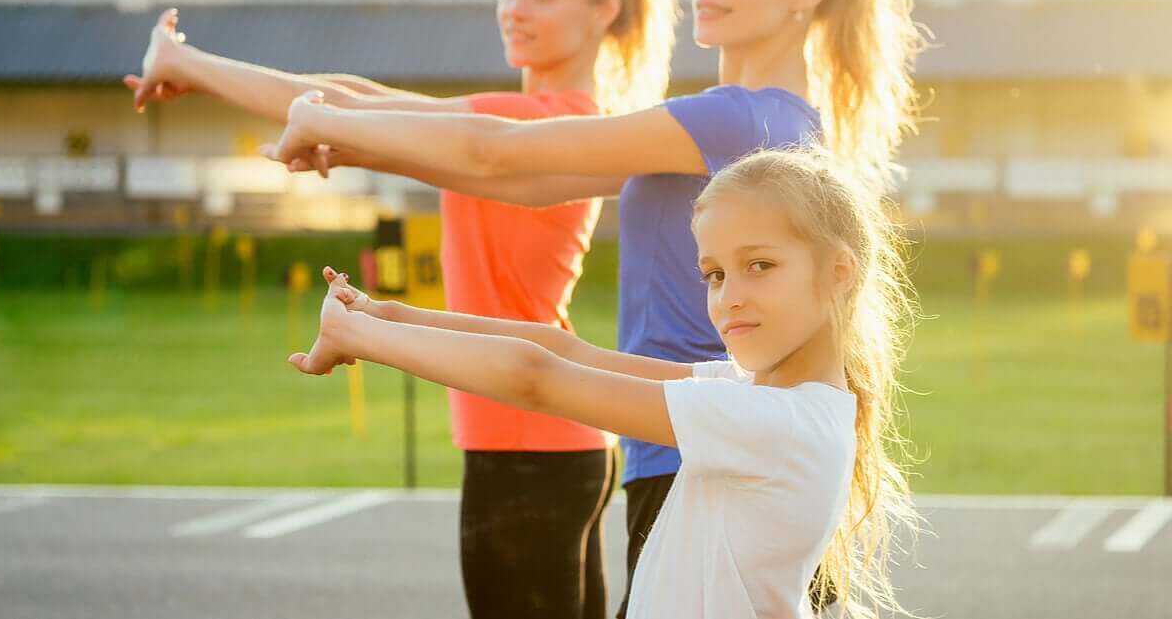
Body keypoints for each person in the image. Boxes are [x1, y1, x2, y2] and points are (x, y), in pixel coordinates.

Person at [257, 0, 926, 614]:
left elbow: (499, 160)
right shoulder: (768, 133)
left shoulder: (739, 120)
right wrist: (379, 312)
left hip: (687, 456)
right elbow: (550, 320)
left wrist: (333, 127)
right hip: (677, 450)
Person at [123, 0, 679, 619]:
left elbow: (357, 100)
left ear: (607, 8)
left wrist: (188, 64)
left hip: (524, 443)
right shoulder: (540, 121)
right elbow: (361, 107)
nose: (517, 6)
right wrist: (346, 134)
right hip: (554, 440)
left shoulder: (546, 122)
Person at [295, 147, 922, 619]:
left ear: (841, 272)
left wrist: (362, 340)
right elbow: (566, 349)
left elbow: (535, 378)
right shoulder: (760, 396)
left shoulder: (775, 423)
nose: (730, 297)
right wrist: (390, 315)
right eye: (713, 274)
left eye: (760, 265)